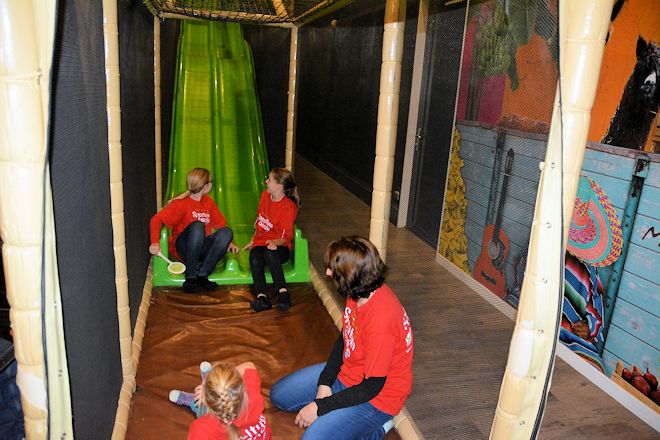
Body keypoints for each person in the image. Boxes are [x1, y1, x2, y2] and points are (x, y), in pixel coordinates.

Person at [270, 236, 414, 439]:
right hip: (349, 374)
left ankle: (378, 428)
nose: (328, 273)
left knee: (312, 438)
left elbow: (371, 387)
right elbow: (345, 337)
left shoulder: (381, 322)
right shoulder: (359, 291)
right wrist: (325, 382)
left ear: (351, 276)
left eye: (333, 270)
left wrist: (321, 407)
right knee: (279, 395)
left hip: (377, 398)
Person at [149, 167, 238, 293]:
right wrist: (155, 242)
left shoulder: (208, 202)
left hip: (201, 249)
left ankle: (203, 275)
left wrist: (228, 242)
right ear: (205, 185)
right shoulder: (181, 204)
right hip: (184, 248)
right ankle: (190, 277)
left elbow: (221, 226)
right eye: (211, 181)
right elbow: (156, 219)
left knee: (227, 232)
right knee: (197, 226)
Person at [244, 168, 300, 312]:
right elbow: (260, 220)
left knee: (269, 253)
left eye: (269, 180)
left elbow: (286, 237)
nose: (266, 182)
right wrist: (254, 239)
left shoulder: (288, 207)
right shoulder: (265, 195)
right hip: (262, 243)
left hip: (280, 247)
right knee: (255, 256)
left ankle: (283, 293)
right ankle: (262, 297)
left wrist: (275, 243)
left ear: (279, 186)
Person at [170, 362, 271, 440]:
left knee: (200, 409)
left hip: (211, 413)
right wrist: (227, 380)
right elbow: (249, 365)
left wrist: (212, 389)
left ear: (207, 401)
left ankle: (198, 399)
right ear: (241, 385)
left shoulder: (201, 428)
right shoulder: (253, 395)